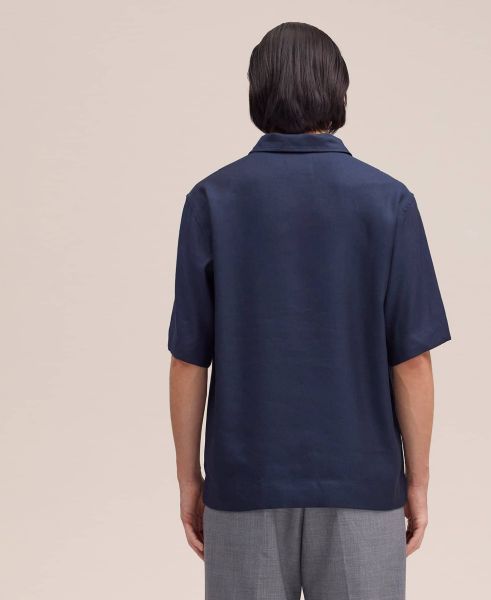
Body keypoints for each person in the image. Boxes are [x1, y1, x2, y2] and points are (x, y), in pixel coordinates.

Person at [168, 21, 450, 600]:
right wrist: (417, 482)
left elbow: (189, 360)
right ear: (338, 91)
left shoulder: (213, 200)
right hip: (362, 481)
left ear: (257, 92)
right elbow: (412, 360)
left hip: (244, 481)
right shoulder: (387, 201)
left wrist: (189, 478)